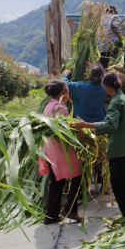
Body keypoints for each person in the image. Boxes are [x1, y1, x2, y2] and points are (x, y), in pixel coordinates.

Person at [71, 72, 125, 217]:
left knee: (119, 184)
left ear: (105, 87)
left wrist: (85, 125)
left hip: (120, 150)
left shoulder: (115, 103)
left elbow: (111, 125)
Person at [41, 80, 83, 224]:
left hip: (50, 149)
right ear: (63, 92)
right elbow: (64, 132)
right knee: (77, 176)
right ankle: (70, 209)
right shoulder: (60, 108)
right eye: (67, 90)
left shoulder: (49, 106)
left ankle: (51, 214)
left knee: (56, 181)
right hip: (61, 149)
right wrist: (82, 135)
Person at [62, 63, 108, 190]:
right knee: (99, 154)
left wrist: (65, 75)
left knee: (82, 156)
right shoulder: (104, 89)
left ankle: (83, 185)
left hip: (82, 129)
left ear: (89, 76)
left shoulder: (81, 87)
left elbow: (65, 85)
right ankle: (102, 180)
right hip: (98, 127)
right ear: (102, 76)